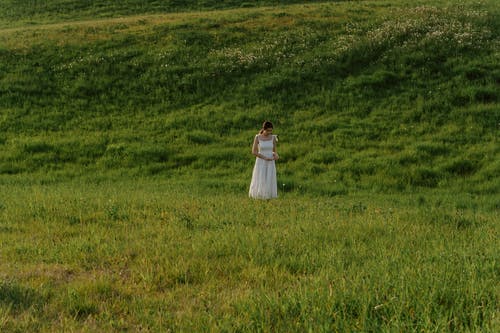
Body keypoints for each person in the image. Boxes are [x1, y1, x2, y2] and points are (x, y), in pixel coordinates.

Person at [249, 121, 279, 199]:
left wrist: (276, 155)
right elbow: (254, 152)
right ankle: (259, 195)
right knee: (261, 177)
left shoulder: (273, 138)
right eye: (268, 130)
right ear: (264, 129)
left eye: (271, 130)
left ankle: (269, 196)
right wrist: (264, 157)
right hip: (261, 161)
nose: (270, 132)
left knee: (269, 177)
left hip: (270, 161)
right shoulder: (257, 137)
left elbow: (274, 150)